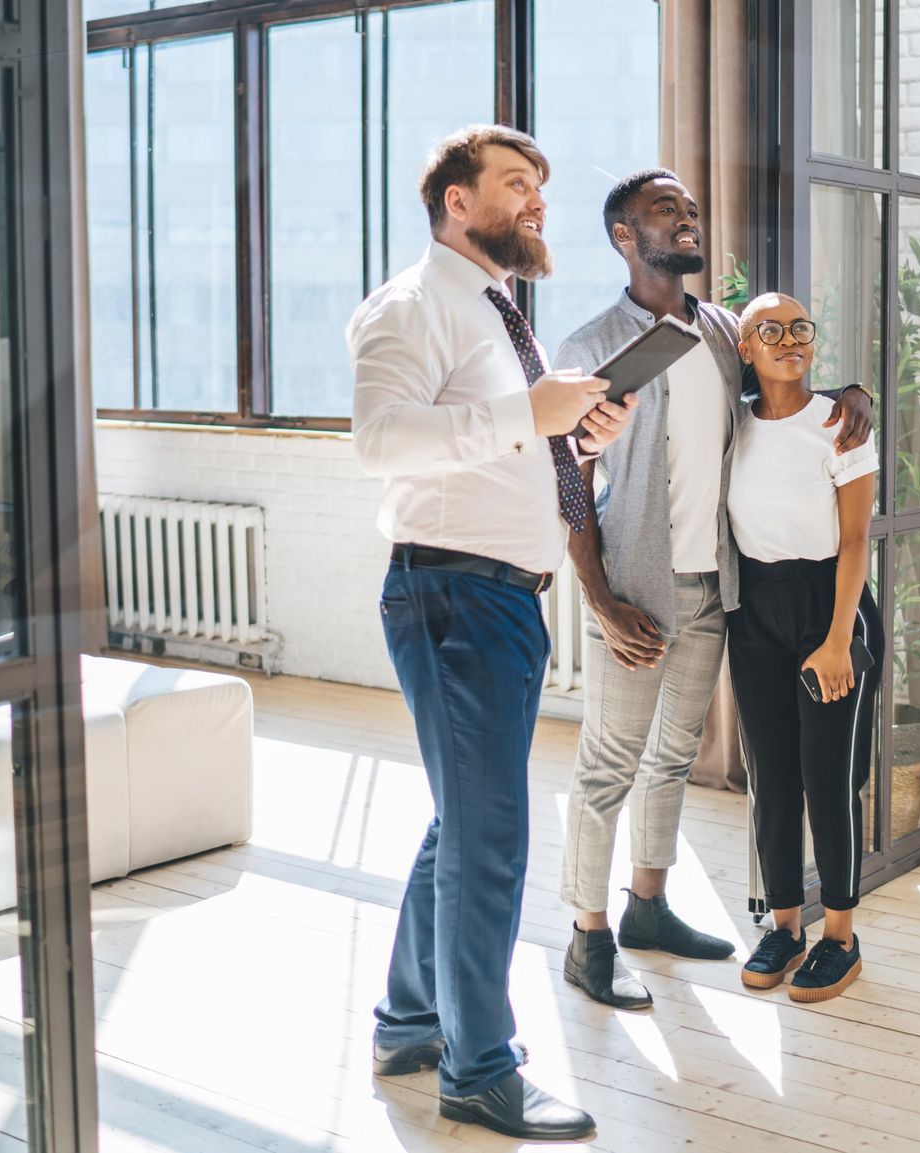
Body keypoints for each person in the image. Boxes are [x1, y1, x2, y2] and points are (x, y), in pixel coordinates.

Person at [347, 124, 635, 1141]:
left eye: (541, 187)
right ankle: (478, 1072)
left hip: (499, 599)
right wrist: (529, 413)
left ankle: (408, 1022)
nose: (536, 202)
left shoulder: (498, 312)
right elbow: (379, 443)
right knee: (492, 837)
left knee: (460, 825)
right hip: (455, 598)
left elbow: (506, 445)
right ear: (456, 203)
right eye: (516, 184)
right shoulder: (413, 305)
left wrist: (571, 433)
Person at [554, 170, 875, 1009]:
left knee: (672, 757)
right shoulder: (590, 347)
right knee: (608, 764)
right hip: (632, 585)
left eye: (691, 210)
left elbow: (786, 382)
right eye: (668, 212)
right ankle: (587, 934)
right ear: (626, 236)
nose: (687, 221)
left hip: (716, 590)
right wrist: (596, 595)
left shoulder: (726, 332)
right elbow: (567, 482)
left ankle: (648, 907)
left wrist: (852, 393)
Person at [725, 292, 882, 1004]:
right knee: (772, 781)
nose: (788, 338)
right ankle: (784, 925)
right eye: (769, 329)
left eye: (799, 328)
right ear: (745, 348)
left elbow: (855, 541)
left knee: (828, 779)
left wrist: (838, 640)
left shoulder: (841, 424)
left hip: (831, 609)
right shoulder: (734, 428)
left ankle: (840, 936)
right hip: (755, 614)